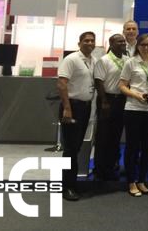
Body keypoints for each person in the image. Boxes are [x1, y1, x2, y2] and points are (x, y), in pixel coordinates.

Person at [119, 33, 148, 197]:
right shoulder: (131, 62)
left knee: (147, 146)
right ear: (138, 46)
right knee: (132, 146)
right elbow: (122, 85)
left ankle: (142, 181)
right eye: (143, 45)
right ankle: (131, 182)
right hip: (133, 108)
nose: (146, 47)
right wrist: (136, 95)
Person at [57, 31, 97, 201]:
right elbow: (61, 84)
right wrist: (67, 108)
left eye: (92, 41)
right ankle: (67, 187)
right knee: (70, 149)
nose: (90, 43)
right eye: (86, 40)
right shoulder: (71, 59)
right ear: (79, 43)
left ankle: (71, 182)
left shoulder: (93, 60)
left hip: (85, 108)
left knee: (77, 147)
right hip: (72, 107)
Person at [93, 34, 128, 181]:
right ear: (111, 43)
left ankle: (111, 167)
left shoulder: (127, 59)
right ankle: (99, 170)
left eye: (124, 41)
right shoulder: (104, 60)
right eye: (119, 41)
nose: (123, 43)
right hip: (107, 100)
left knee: (115, 136)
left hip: (122, 100)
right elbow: (98, 82)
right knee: (103, 136)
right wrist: (104, 101)